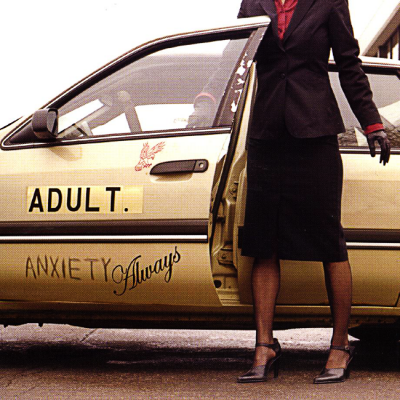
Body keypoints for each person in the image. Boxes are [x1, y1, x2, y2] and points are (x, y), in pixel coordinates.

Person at [234, 0, 391, 385]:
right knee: (263, 242)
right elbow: (236, 56)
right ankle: (264, 346)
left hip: (315, 133)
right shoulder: (253, 1)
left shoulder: (329, 1)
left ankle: (339, 345)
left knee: (328, 242)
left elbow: (349, 64)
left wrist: (372, 123)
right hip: (266, 134)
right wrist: (206, 97)